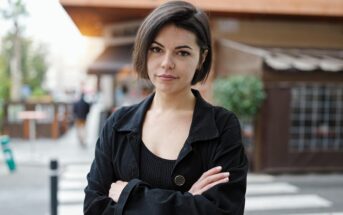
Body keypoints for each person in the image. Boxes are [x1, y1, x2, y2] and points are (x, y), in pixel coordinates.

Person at [84, 1, 248, 214]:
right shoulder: (118, 124)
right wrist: (188, 202)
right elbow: (94, 207)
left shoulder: (222, 127)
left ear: (202, 58)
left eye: (182, 53)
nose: (166, 63)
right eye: (156, 49)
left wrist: (130, 196)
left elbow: (224, 211)